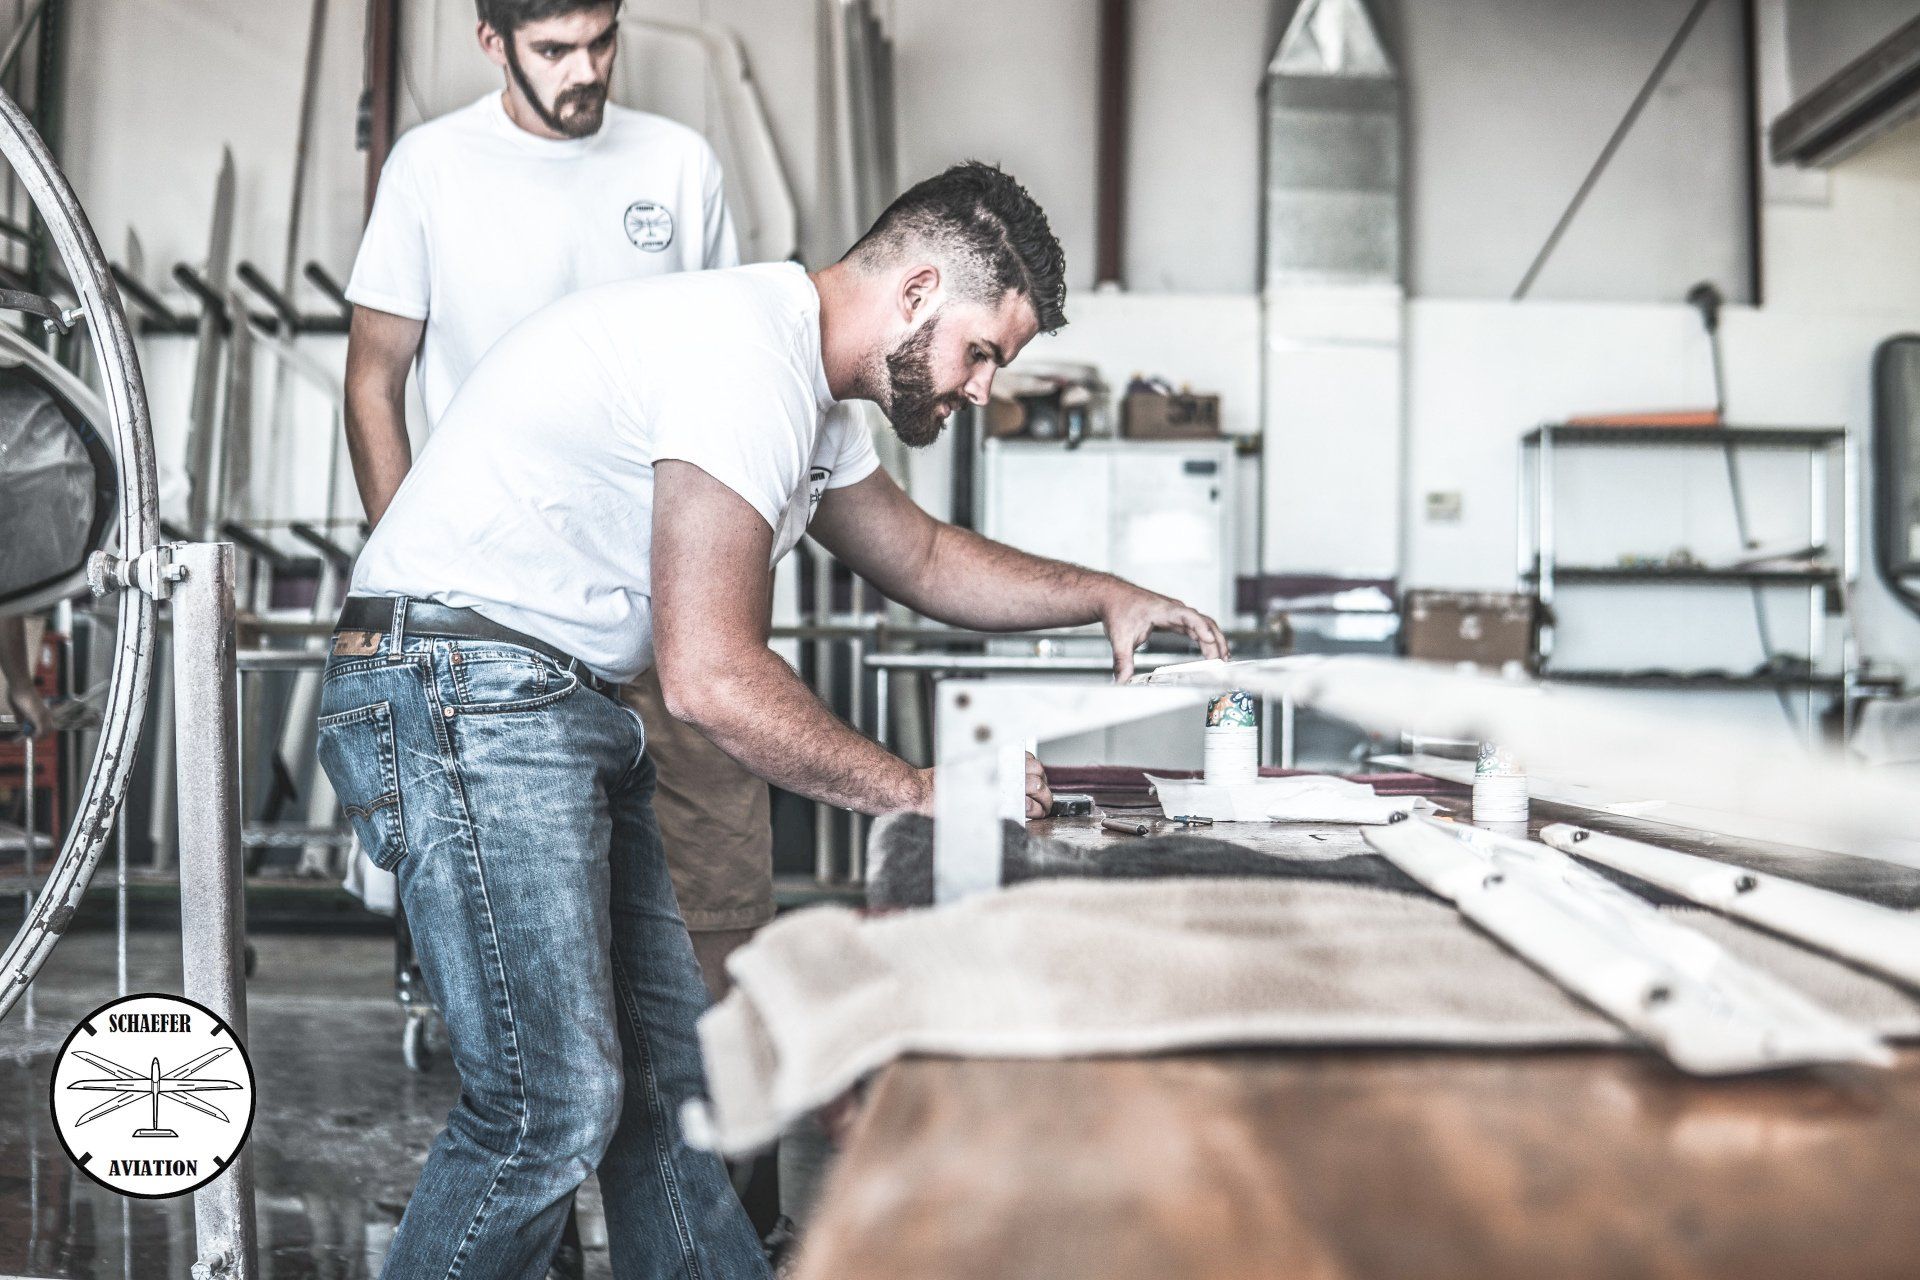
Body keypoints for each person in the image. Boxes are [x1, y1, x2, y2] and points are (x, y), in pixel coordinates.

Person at [318, 161, 1228, 1278]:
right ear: (919, 290)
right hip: (461, 687)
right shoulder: (744, 358)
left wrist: (1104, 593)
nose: (984, 390)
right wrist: (925, 791)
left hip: (550, 702)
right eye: (982, 351)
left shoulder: (806, 393)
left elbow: (926, 556)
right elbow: (710, 674)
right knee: (547, 1107)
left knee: (670, 1093)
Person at [344, 0, 772, 993]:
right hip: (500, 616)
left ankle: (719, 1138)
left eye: (600, 41)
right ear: (491, 42)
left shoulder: (678, 163)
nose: (585, 68)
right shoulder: (432, 167)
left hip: (663, 596)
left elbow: (727, 369)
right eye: (553, 50)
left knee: (715, 908)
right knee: (538, 950)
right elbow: (374, 380)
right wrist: (418, 571)